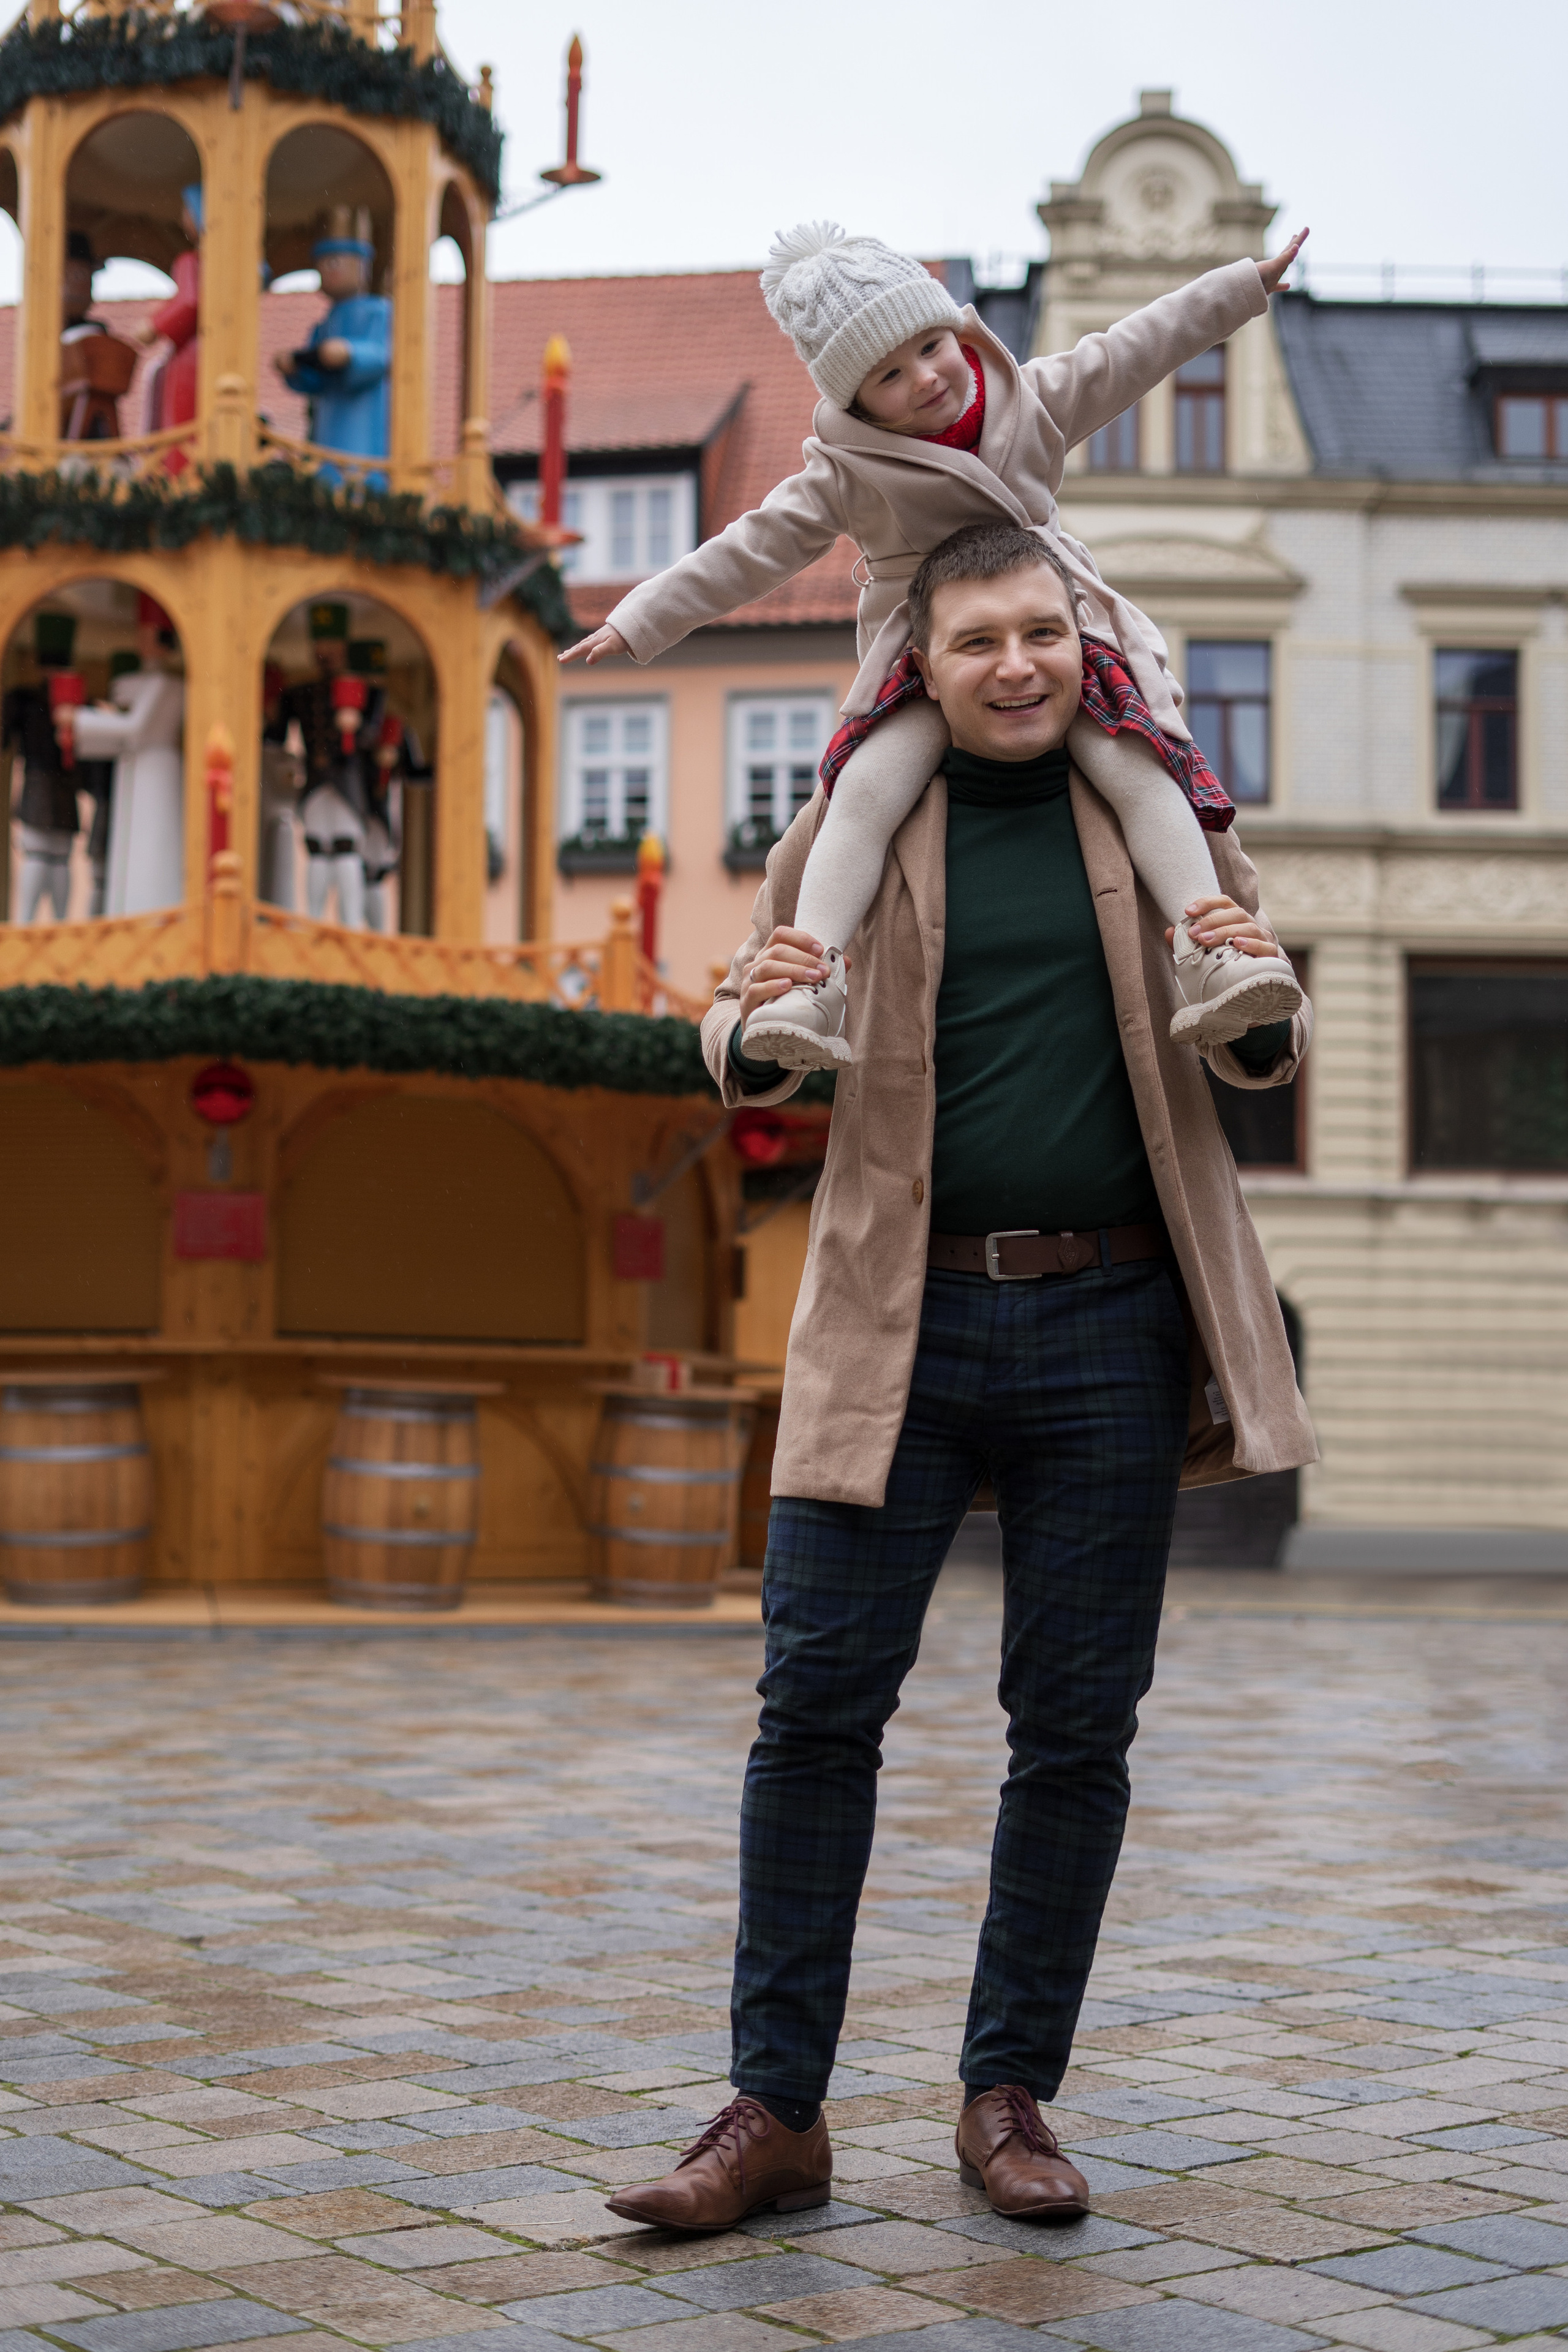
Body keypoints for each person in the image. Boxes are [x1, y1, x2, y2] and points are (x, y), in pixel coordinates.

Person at [605, 522, 1317, 2234]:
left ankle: (1012, 2097)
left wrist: (1262, 998)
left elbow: (1263, 1020)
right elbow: (739, 1020)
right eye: (978, 639)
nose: (1016, 665)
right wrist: (748, 1019)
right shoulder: (863, 820)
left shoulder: (1156, 813)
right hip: (891, 1323)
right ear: (918, 664)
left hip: (1108, 1328)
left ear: (1084, 647)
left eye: (1041, 635)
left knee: (1074, 1734)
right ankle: (774, 2114)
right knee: (813, 1717)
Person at [564, 222, 1308, 1066]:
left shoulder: (1032, 400)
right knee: (867, 793)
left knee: (1140, 766)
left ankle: (1211, 955)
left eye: (930, 347)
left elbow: (1136, 348)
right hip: (921, 656)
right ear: (856, 401)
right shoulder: (845, 470)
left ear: (955, 332)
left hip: (1057, 621)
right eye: (889, 374)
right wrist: (642, 617)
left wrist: (1244, 286)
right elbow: (753, 547)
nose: (924, 379)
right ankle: (811, 984)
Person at [77, 596, 186, 917]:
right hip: (137, 765)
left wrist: (80, 720)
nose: (141, 640)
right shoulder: (140, 682)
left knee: (152, 846)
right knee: (131, 845)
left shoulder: (166, 684)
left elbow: (134, 728)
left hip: (157, 769)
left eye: (147, 633)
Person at [277, 205, 391, 491]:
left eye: (335, 263)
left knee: (356, 478)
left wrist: (350, 354)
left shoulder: (379, 311)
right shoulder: (325, 323)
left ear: (362, 266)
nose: (328, 272)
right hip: (328, 420)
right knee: (326, 476)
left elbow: (381, 355)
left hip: (363, 424)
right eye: (323, 265)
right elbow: (315, 381)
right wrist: (294, 369)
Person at [137, 186, 202, 470]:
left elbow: (189, 302)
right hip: (217, 355)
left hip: (189, 357)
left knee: (181, 426)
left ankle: (178, 479)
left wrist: (154, 326)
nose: (182, 219)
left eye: (186, 210)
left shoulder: (191, 261)